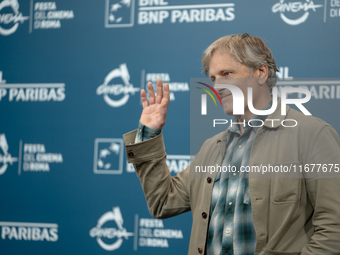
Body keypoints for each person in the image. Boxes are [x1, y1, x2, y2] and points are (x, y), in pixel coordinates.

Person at [123, 33, 340, 255]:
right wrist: (149, 133)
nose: (217, 86)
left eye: (227, 74)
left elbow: (334, 230)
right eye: (214, 78)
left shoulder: (312, 134)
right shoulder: (211, 147)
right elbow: (163, 201)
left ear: (261, 72)